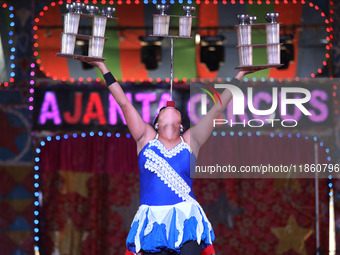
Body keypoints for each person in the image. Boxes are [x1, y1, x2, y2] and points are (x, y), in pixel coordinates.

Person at [76, 57, 256, 255]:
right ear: (156, 123)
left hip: (186, 219)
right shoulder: (145, 138)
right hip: (154, 223)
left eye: (175, 110)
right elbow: (124, 103)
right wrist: (103, 67)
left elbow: (217, 109)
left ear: (181, 125)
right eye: (163, 110)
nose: (170, 108)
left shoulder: (191, 140)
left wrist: (240, 74)